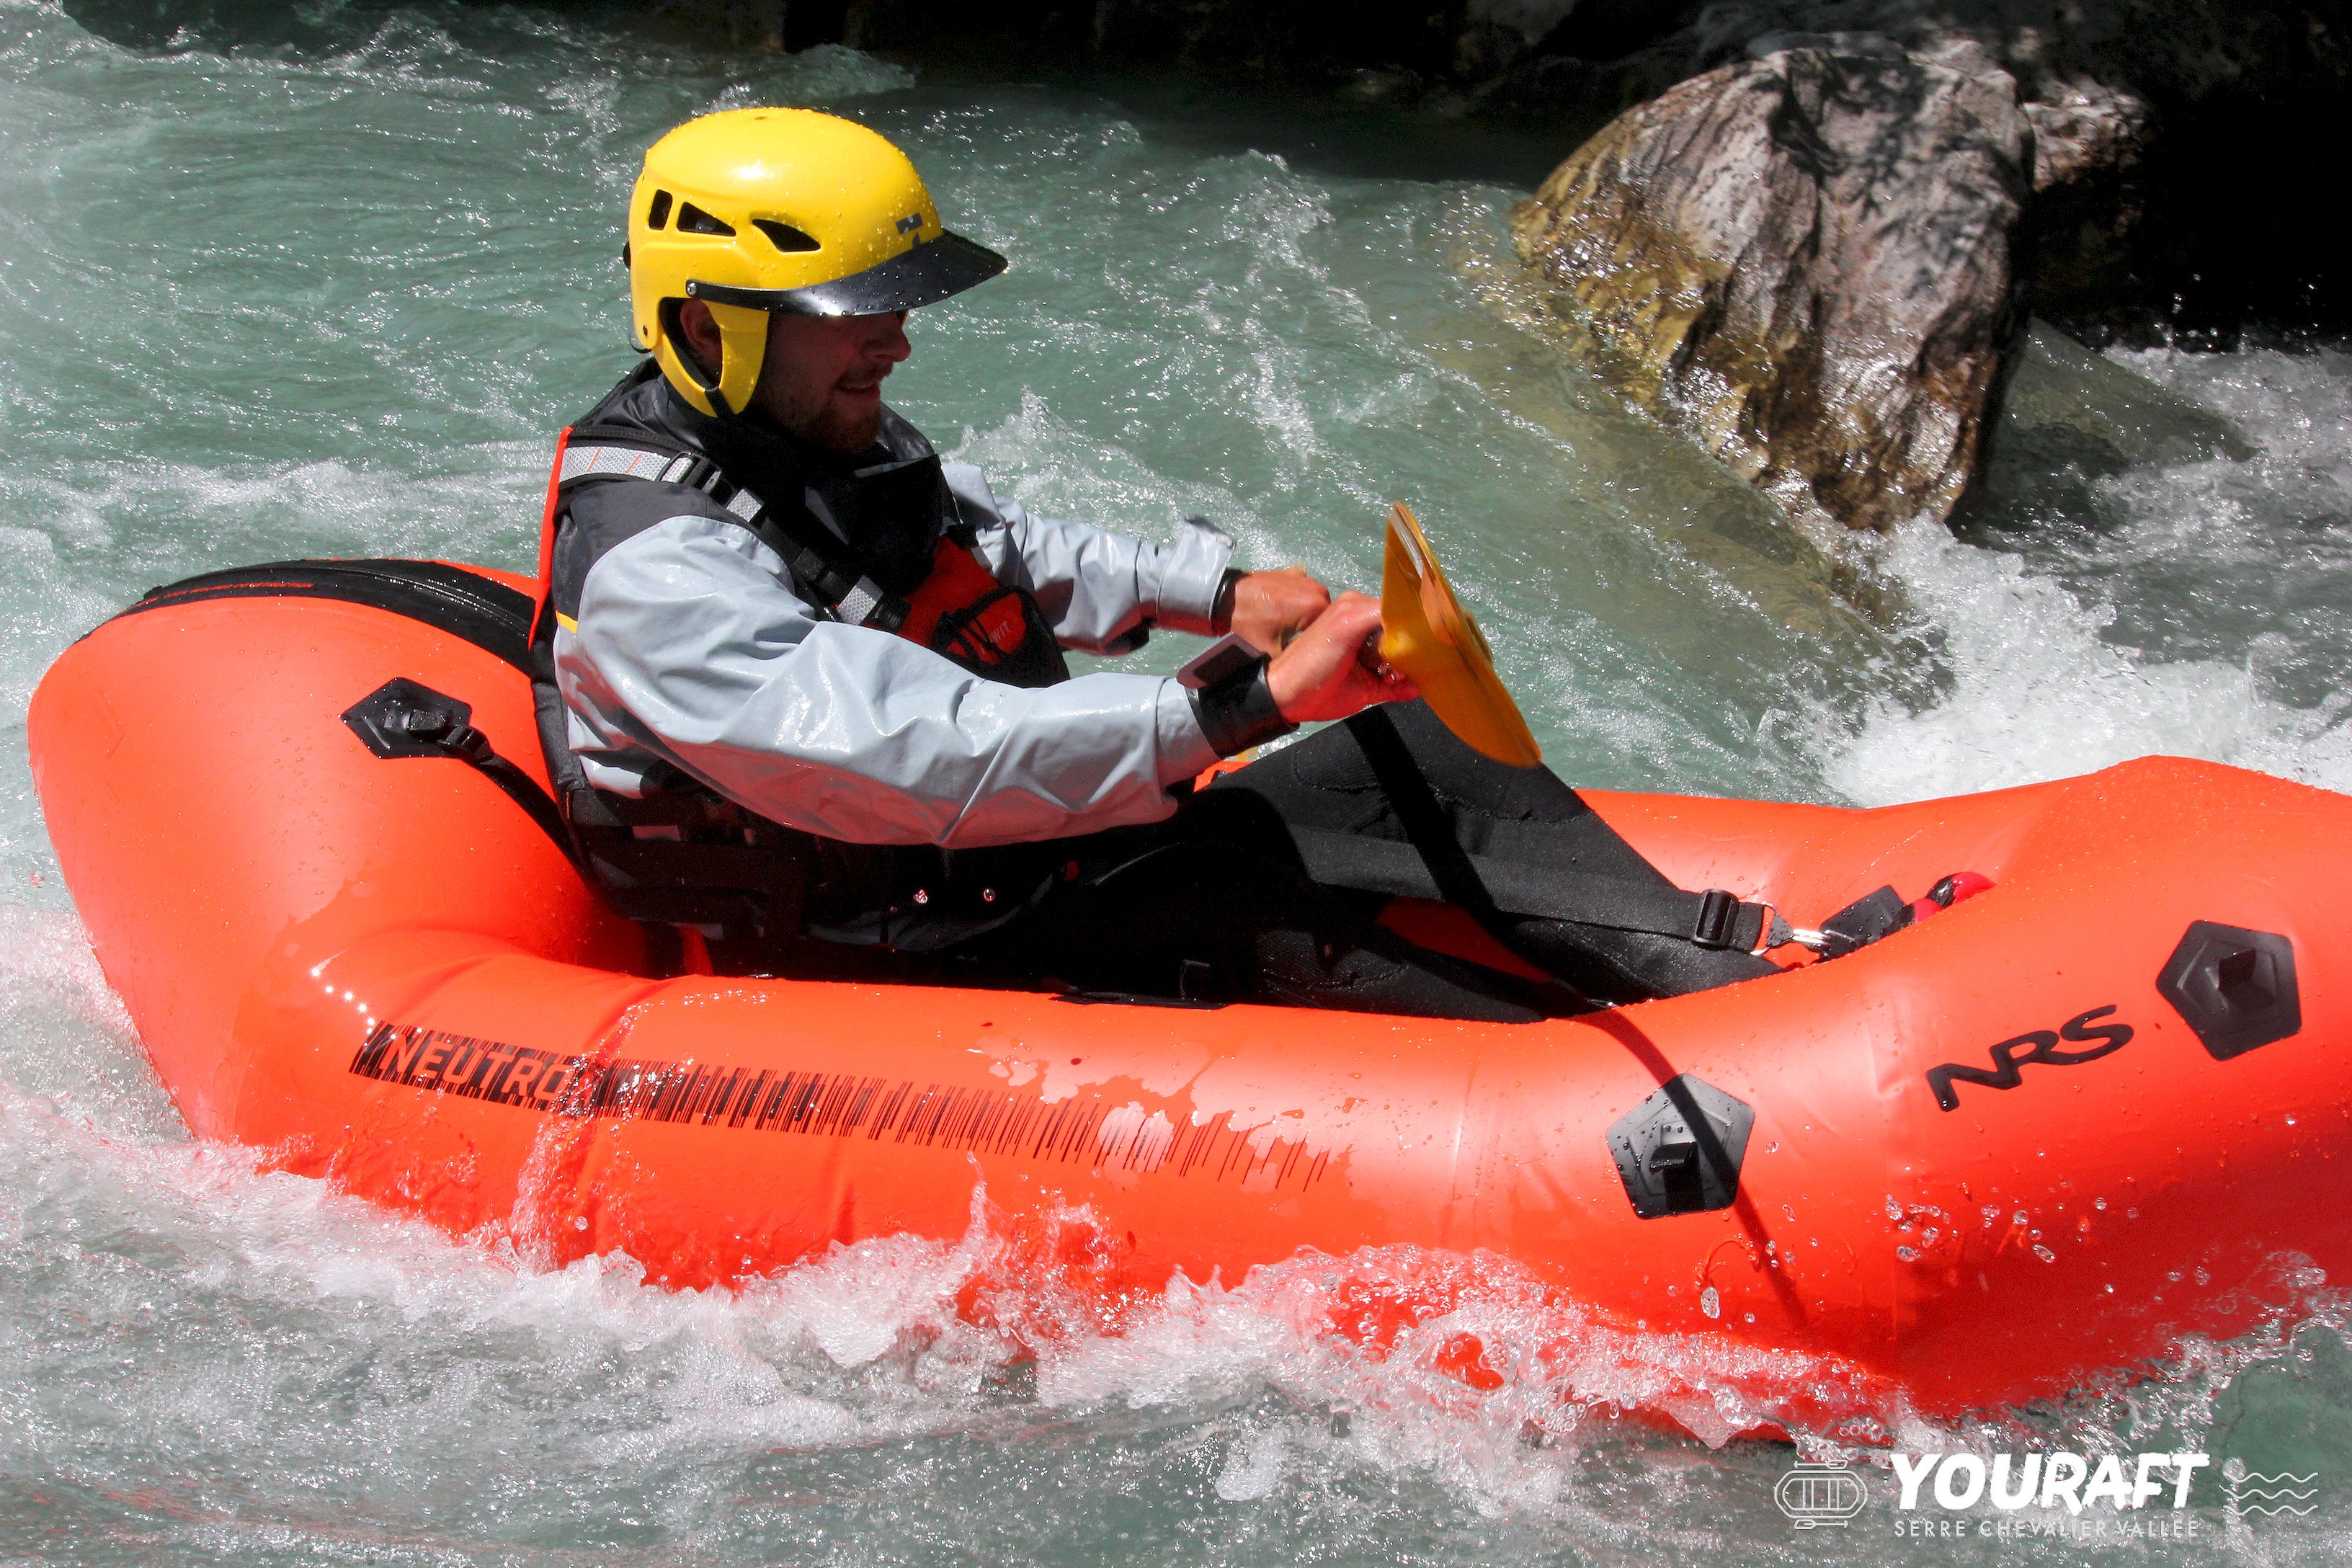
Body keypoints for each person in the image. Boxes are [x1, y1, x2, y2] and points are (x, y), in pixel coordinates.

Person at [533, 107, 1779, 1020]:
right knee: (1258, 902)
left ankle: (1742, 971)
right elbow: (928, 757)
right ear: (708, 324)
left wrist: (1222, 599)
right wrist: (1241, 708)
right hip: (897, 938)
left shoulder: (811, 428)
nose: (898, 342)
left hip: (1002, 862)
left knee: (1422, 753)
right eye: (857, 314)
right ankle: (1689, 1059)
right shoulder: (658, 571)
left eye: (896, 306)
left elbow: (997, 545)